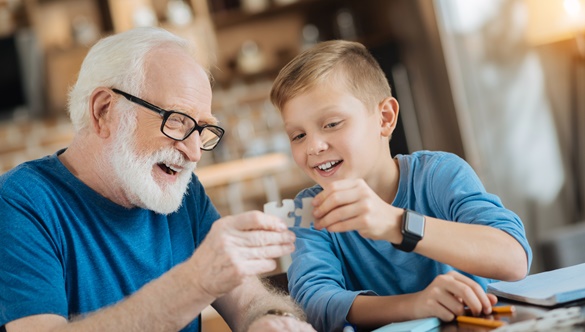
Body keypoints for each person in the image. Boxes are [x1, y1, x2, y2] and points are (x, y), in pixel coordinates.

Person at [0, 27, 316, 332]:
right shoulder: (21, 202)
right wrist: (195, 282)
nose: (194, 152)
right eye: (177, 120)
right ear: (104, 110)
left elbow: (249, 300)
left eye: (202, 129)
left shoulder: (183, 192)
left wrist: (270, 319)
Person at [269, 39, 532, 332]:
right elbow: (314, 304)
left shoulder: (439, 175)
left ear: (385, 118)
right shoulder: (310, 211)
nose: (314, 146)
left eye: (331, 124)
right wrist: (415, 305)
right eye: (298, 135)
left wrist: (397, 223)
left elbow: (514, 259)